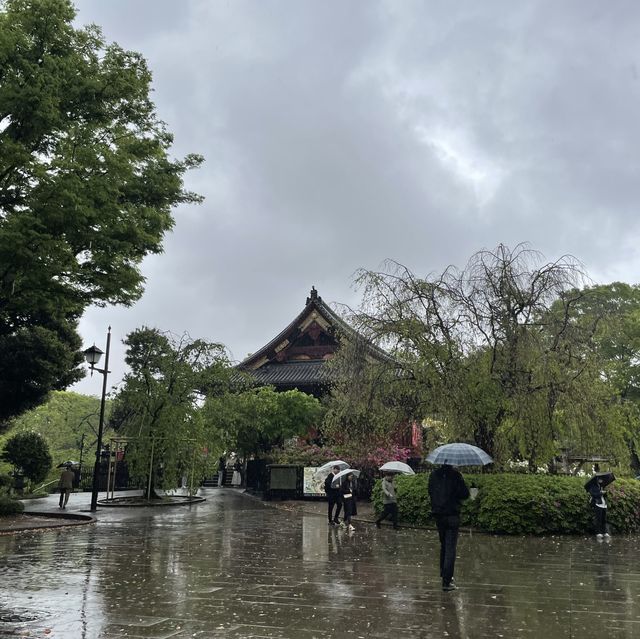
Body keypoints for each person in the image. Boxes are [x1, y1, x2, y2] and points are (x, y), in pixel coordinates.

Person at [428, 464, 470, 591]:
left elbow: (430, 491)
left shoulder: (433, 475)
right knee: (450, 548)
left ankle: (443, 572)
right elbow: (464, 494)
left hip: (439, 515)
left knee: (444, 545)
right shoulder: (456, 476)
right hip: (452, 515)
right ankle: (447, 581)